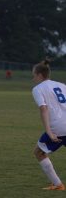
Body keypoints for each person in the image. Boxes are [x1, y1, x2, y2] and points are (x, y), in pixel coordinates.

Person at [32, 59, 66, 191]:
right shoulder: (62, 85)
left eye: (34, 75)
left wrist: (49, 132)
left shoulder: (37, 89)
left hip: (58, 128)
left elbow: (43, 109)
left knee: (39, 152)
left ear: (40, 75)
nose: (33, 77)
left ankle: (58, 185)